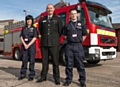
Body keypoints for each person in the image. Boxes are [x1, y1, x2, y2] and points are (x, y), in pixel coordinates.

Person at [36, 4, 63, 85]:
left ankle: (56, 78)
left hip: (54, 44)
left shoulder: (58, 19)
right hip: (44, 43)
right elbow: (40, 30)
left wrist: (53, 38)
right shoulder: (42, 19)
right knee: (44, 61)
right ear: (46, 10)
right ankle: (43, 77)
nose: (49, 9)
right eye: (48, 8)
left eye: (51, 8)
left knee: (55, 62)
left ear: (54, 9)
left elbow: (60, 31)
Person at [63, 9, 87, 87]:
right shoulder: (67, 25)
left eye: (74, 14)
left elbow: (84, 35)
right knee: (69, 64)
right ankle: (68, 79)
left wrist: (79, 41)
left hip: (78, 46)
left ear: (77, 15)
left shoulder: (81, 24)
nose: (73, 15)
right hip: (69, 46)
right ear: (70, 15)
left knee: (80, 65)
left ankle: (82, 81)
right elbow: (65, 36)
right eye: (72, 14)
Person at [18, 15, 38, 81]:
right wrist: (24, 44)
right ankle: (22, 74)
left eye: (30, 19)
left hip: (31, 46)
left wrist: (28, 45)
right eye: (27, 19)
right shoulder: (24, 28)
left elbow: (35, 38)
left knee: (32, 61)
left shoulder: (34, 28)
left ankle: (31, 75)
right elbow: (21, 37)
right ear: (26, 21)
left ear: (32, 21)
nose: (29, 21)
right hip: (24, 46)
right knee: (24, 60)